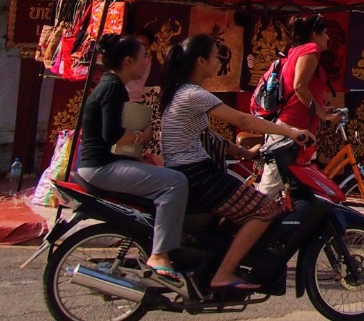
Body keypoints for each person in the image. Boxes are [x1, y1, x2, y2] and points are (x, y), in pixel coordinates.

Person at [158, 34, 315, 295]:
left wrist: (246, 152)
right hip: (197, 176)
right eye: (214, 55)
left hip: (191, 173)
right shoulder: (192, 94)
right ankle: (224, 273)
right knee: (266, 209)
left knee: (241, 211)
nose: (218, 60)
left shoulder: (181, 92)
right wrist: (290, 132)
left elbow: (208, 137)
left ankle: (217, 262)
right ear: (200, 61)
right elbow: (244, 120)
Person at [76, 34, 189, 288]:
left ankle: (149, 246)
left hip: (103, 162)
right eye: (142, 58)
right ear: (128, 61)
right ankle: (159, 254)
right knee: (175, 183)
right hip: (99, 167)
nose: (146, 63)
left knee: (159, 175)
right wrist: (143, 136)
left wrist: (139, 157)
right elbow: (112, 134)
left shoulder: (111, 83)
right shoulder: (114, 86)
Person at [256, 14, 342, 198]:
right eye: (325, 33)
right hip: (291, 129)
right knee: (268, 193)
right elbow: (299, 87)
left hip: (300, 132)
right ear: (314, 34)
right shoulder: (310, 49)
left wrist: (321, 109)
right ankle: (241, 225)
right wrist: (323, 115)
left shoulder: (295, 51)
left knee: (299, 191)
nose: (327, 38)